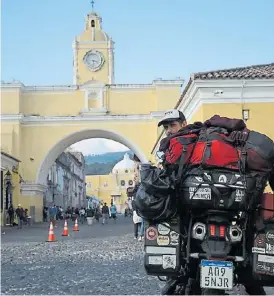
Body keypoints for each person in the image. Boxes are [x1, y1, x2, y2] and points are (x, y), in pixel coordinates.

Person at [157, 109, 267, 295]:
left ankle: (178, 278)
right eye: (166, 127)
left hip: (199, 209)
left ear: (183, 124)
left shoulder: (189, 141)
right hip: (230, 206)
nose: (169, 130)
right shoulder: (191, 142)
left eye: (172, 125)